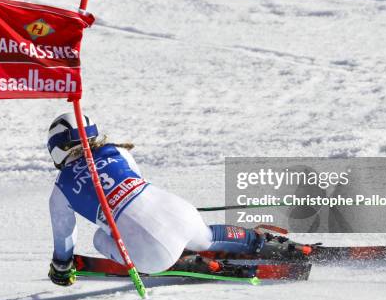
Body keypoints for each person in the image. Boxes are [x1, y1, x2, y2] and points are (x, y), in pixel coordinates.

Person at [46, 113, 308, 286]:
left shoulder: (60, 191)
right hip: (182, 214)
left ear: (57, 150)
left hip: (152, 253)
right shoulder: (116, 151)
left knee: (100, 237)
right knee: (205, 235)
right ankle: (262, 242)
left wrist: (62, 266)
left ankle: (185, 261)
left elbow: (64, 238)